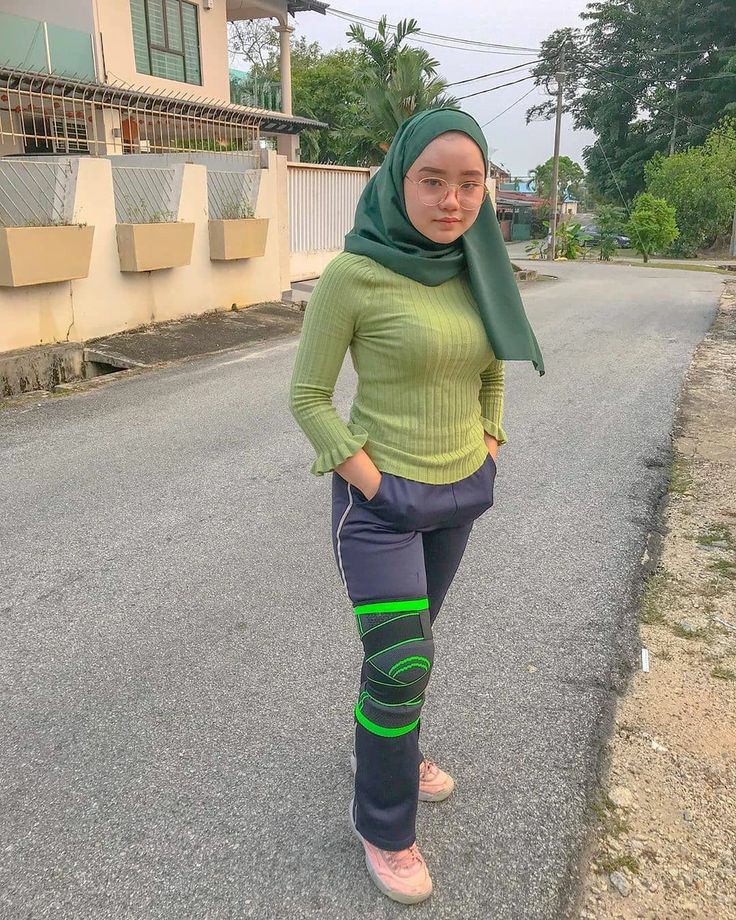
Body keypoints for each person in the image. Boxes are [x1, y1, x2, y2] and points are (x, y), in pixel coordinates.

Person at [288, 107, 544, 905]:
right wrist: (379, 487)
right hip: (379, 502)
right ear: (399, 180)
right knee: (403, 661)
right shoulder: (353, 274)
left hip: (458, 494)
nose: (452, 200)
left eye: (470, 183)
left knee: (409, 647)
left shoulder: (478, 265)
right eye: (432, 181)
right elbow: (308, 398)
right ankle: (384, 825)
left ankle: (386, 751)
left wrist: (490, 443)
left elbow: (493, 365)